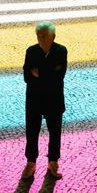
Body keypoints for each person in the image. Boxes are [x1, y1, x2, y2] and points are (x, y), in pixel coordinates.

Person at [21, 21, 67, 180]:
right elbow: (27, 76)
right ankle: (31, 162)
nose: (40, 38)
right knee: (31, 132)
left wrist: (39, 73)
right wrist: (48, 72)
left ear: (52, 37)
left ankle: (52, 162)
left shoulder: (61, 51)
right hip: (35, 100)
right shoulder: (31, 51)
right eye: (38, 35)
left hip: (52, 99)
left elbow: (59, 76)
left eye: (43, 36)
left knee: (55, 132)